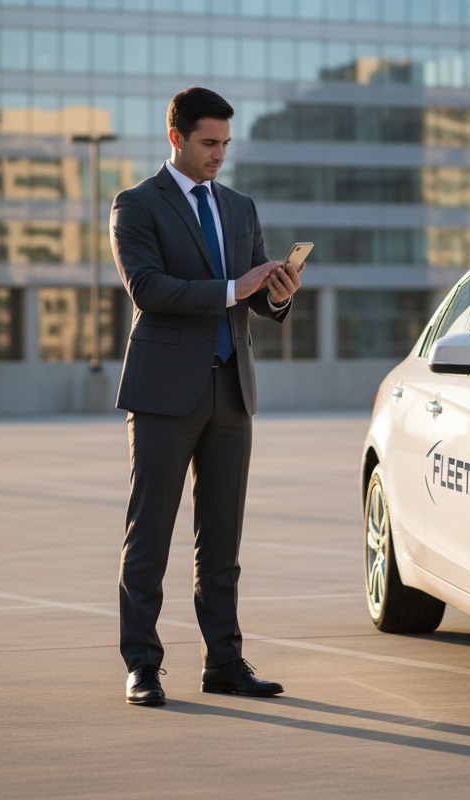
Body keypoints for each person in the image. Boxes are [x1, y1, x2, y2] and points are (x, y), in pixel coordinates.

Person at [110, 86, 304, 706]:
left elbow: (257, 297)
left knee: (222, 543)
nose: (220, 153)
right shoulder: (135, 205)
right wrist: (230, 286)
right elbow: (148, 288)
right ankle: (142, 665)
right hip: (166, 392)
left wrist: (277, 290)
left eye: (225, 142)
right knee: (150, 536)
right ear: (177, 138)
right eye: (208, 143)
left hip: (231, 390)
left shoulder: (240, 206)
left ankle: (224, 662)